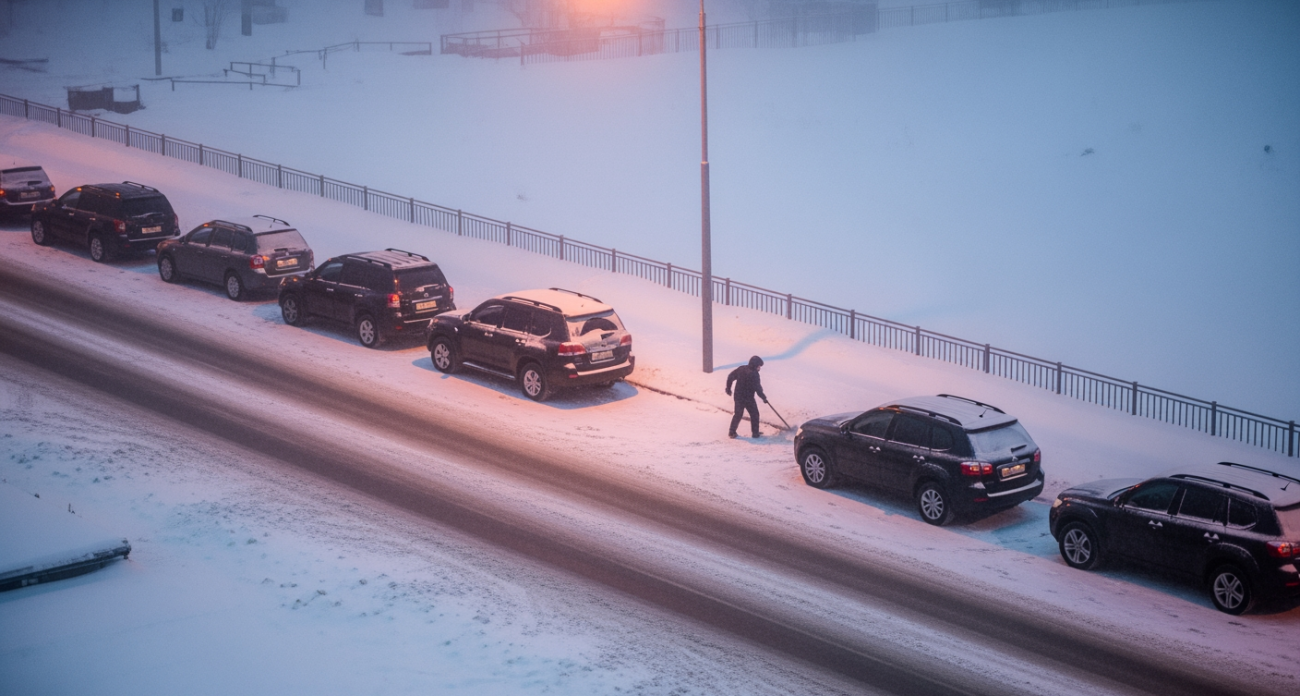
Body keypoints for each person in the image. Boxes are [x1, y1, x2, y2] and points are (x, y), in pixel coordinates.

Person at [725, 356, 767, 439]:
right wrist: (763, 397)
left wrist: (728, 388)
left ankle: (731, 431)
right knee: (754, 414)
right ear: (755, 365)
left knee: (738, 414)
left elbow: (730, 377)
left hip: (738, 396)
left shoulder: (741, 369)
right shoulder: (754, 374)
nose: (759, 368)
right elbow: (758, 388)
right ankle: (755, 433)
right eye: (759, 366)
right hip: (748, 398)